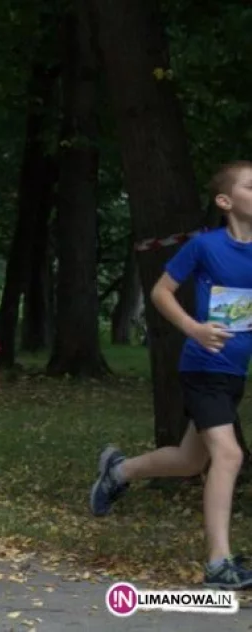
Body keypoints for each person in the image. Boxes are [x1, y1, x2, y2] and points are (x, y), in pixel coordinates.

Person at [90, 161, 252, 589]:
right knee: (230, 455)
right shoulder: (205, 247)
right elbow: (161, 292)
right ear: (225, 201)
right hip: (202, 367)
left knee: (190, 460)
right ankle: (219, 564)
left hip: (234, 371)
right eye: (251, 187)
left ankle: (118, 472)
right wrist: (194, 329)